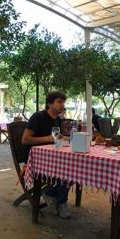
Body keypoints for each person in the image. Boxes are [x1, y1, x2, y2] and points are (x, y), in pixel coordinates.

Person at [21, 91, 71, 219]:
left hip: (52, 158)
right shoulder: (38, 117)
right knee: (66, 171)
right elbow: (25, 140)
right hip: (35, 160)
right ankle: (60, 201)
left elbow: (55, 138)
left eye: (63, 102)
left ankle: (51, 193)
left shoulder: (57, 120)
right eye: (59, 102)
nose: (62, 105)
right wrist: (48, 138)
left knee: (74, 169)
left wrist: (64, 138)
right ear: (50, 103)